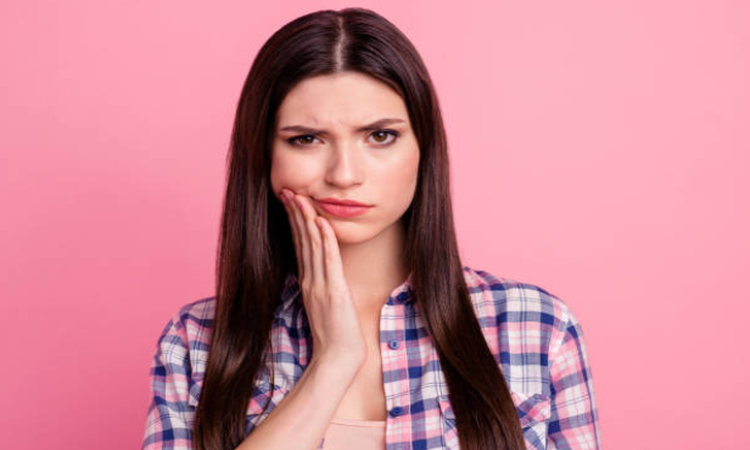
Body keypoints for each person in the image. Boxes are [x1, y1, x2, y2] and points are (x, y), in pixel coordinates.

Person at [140, 7, 602, 450]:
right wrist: (332, 363)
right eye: (307, 139)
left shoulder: (535, 326)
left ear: (424, 150)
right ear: (264, 157)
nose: (344, 174)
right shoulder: (197, 341)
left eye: (380, 136)